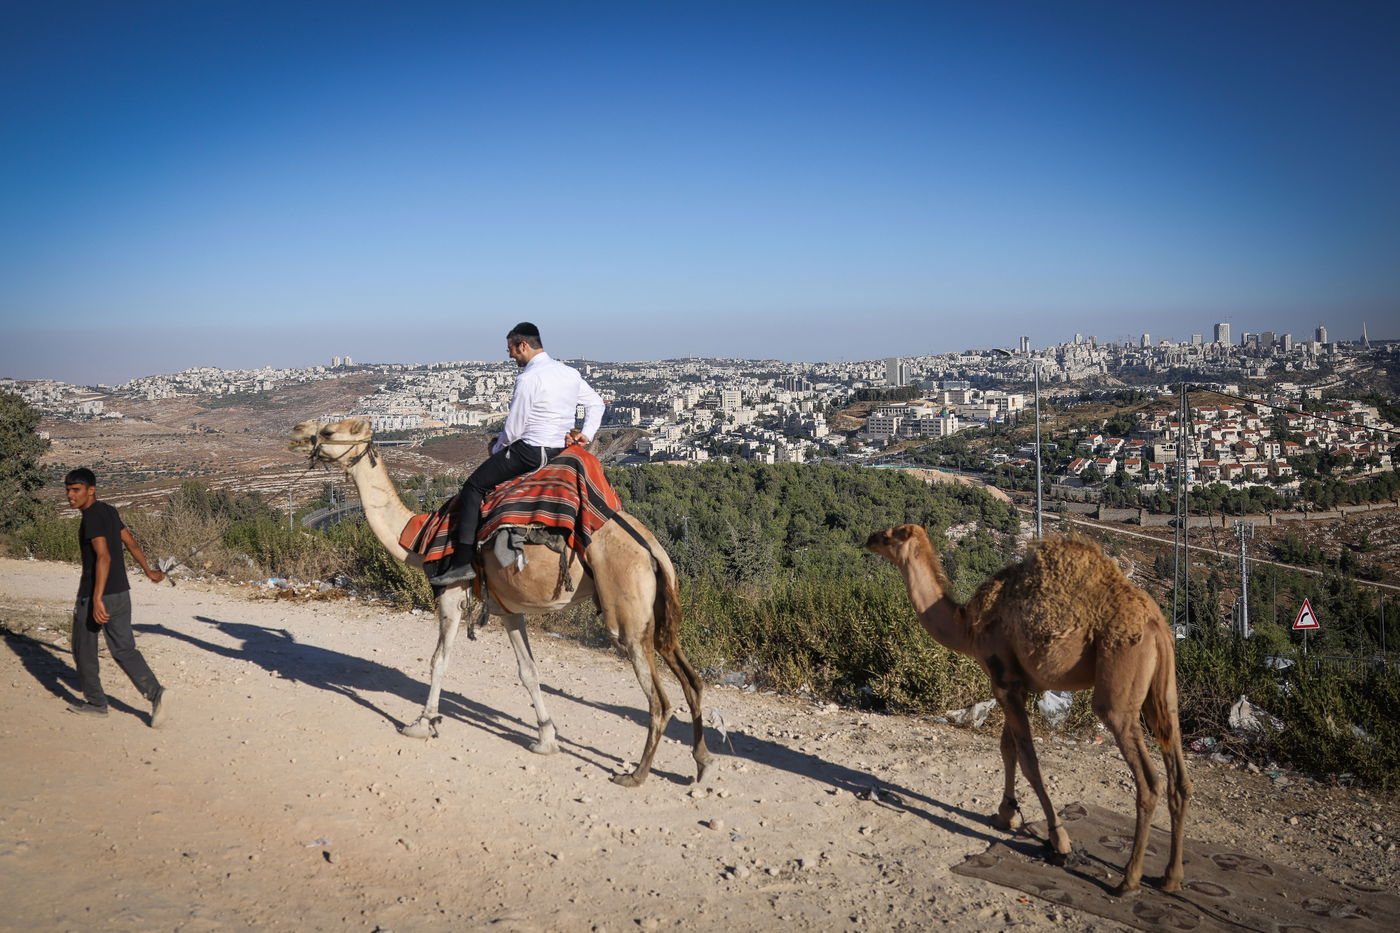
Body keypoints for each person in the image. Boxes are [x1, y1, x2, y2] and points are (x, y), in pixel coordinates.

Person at [430, 322, 604, 586]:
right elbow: (596, 403)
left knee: (473, 486)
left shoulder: (528, 379)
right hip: (560, 449)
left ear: (522, 345)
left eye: (510, 349)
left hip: (531, 451)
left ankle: (462, 562)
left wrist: (497, 450)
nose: (510, 355)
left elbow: (514, 428)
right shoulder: (568, 373)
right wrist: (586, 433)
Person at [63, 467, 171, 726]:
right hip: (121, 593)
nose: (70, 495)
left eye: (76, 490)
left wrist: (97, 598)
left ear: (91, 491)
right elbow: (130, 542)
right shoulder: (109, 511)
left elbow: (104, 556)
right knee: (125, 650)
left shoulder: (91, 517)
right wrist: (149, 571)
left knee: (84, 650)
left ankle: (97, 704)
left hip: (95, 596)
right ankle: (156, 694)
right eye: (67, 490)